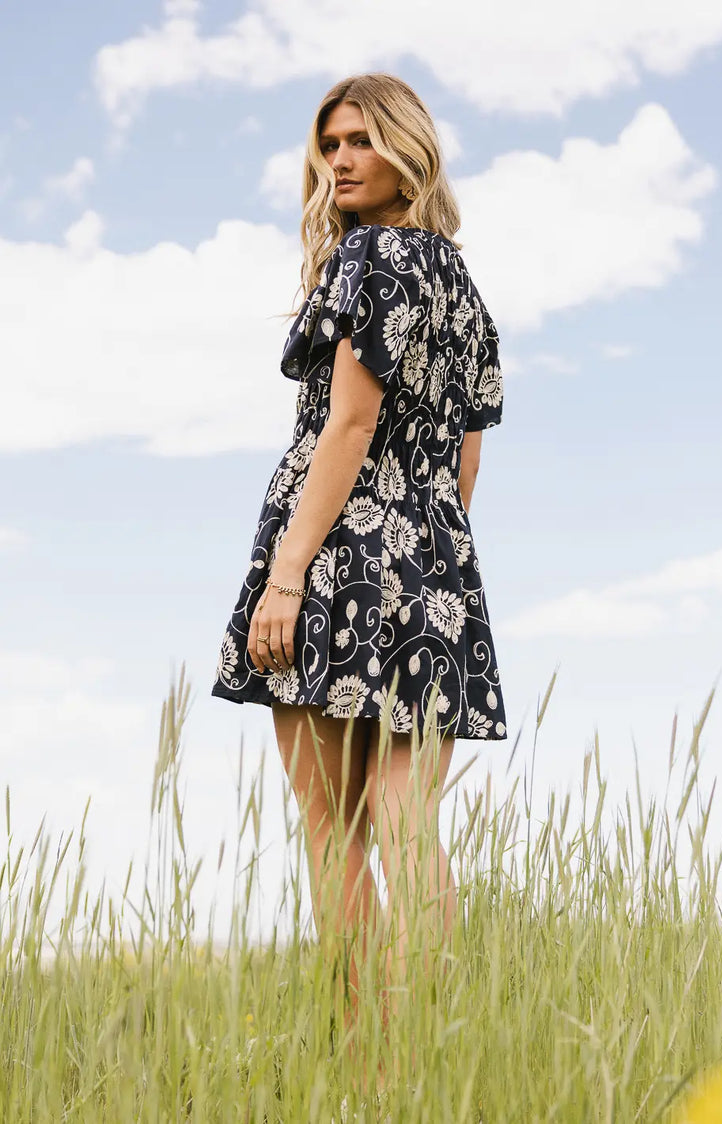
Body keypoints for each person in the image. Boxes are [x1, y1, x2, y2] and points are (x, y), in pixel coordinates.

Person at [212, 71, 507, 1097]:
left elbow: (345, 424)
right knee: (410, 819)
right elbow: (467, 460)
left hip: (336, 552)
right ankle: (435, 1050)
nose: (340, 159)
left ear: (405, 152)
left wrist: (288, 575)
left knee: (335, 826)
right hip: (434, 561)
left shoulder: (369, 256)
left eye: (361, 141)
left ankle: (366, 1066)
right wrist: (430, 555)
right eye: (329, 142)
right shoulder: (462, 285)